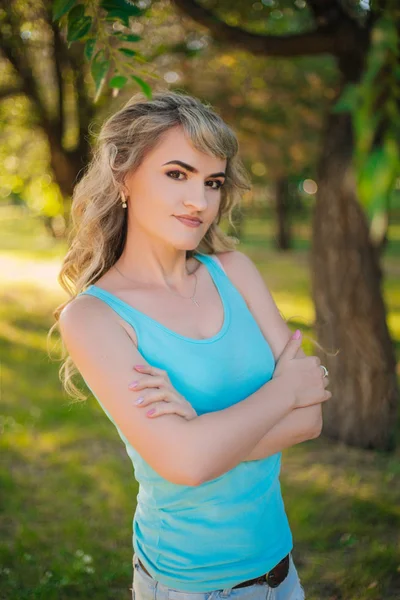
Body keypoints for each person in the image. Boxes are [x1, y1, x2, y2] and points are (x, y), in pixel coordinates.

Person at [53, 90, 331, 600]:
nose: (199, 202)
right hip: (186, 586)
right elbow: (185, 465)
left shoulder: (236, 272)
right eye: (177, 174)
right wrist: (281, 393)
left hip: (280, 572)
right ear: (123, 179)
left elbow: (309, 418)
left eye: (213, 182)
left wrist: (202, 436)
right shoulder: (95, 317)